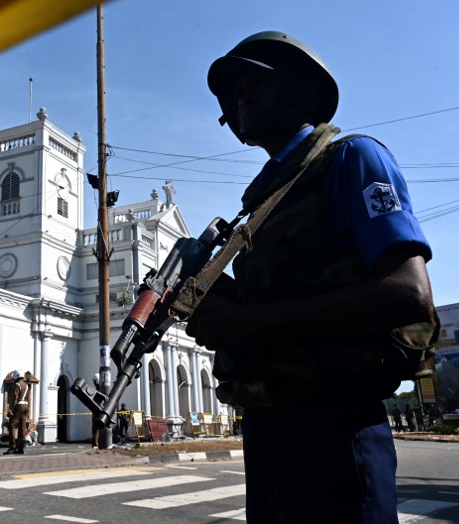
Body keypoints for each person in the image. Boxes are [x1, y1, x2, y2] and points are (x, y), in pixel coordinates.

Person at [185, 31, 435, 523]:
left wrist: (246, 323)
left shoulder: (351, 159)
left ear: (300, 89)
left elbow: (409, 293)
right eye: (235, 94)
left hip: (335, 423)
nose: (242, 98)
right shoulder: (263, 199)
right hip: (269, 422)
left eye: (256, 83)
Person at [4, 371, 29, 455]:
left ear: (16, 376)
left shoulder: (17, 384)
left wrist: (11, 410)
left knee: (11, 424)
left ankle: (12, 446)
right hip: (26, 406)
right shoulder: (26, 385)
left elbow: (15, 398)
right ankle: (21, 447)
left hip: (19, 405)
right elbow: (28, 398)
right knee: (22, 426)